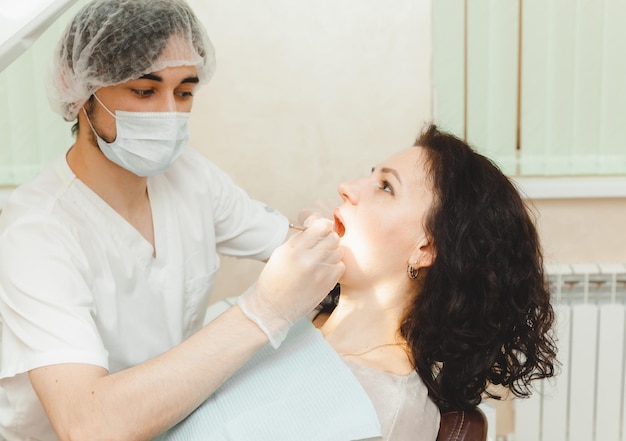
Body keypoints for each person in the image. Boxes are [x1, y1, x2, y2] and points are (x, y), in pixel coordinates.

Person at [0, 1, 343, 440]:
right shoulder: (36, 233)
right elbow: (87, 426)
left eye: (184, 92)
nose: (169, 113)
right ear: (79, 88)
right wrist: (261, 312)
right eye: (145, 91)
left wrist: (323, 242)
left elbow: (291, 248)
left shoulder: (188, 177)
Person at [158, 124, 558, 440]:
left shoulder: (383, 413)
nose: (346, 188)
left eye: (385, 187)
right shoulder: (288, 314)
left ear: (425, 248)